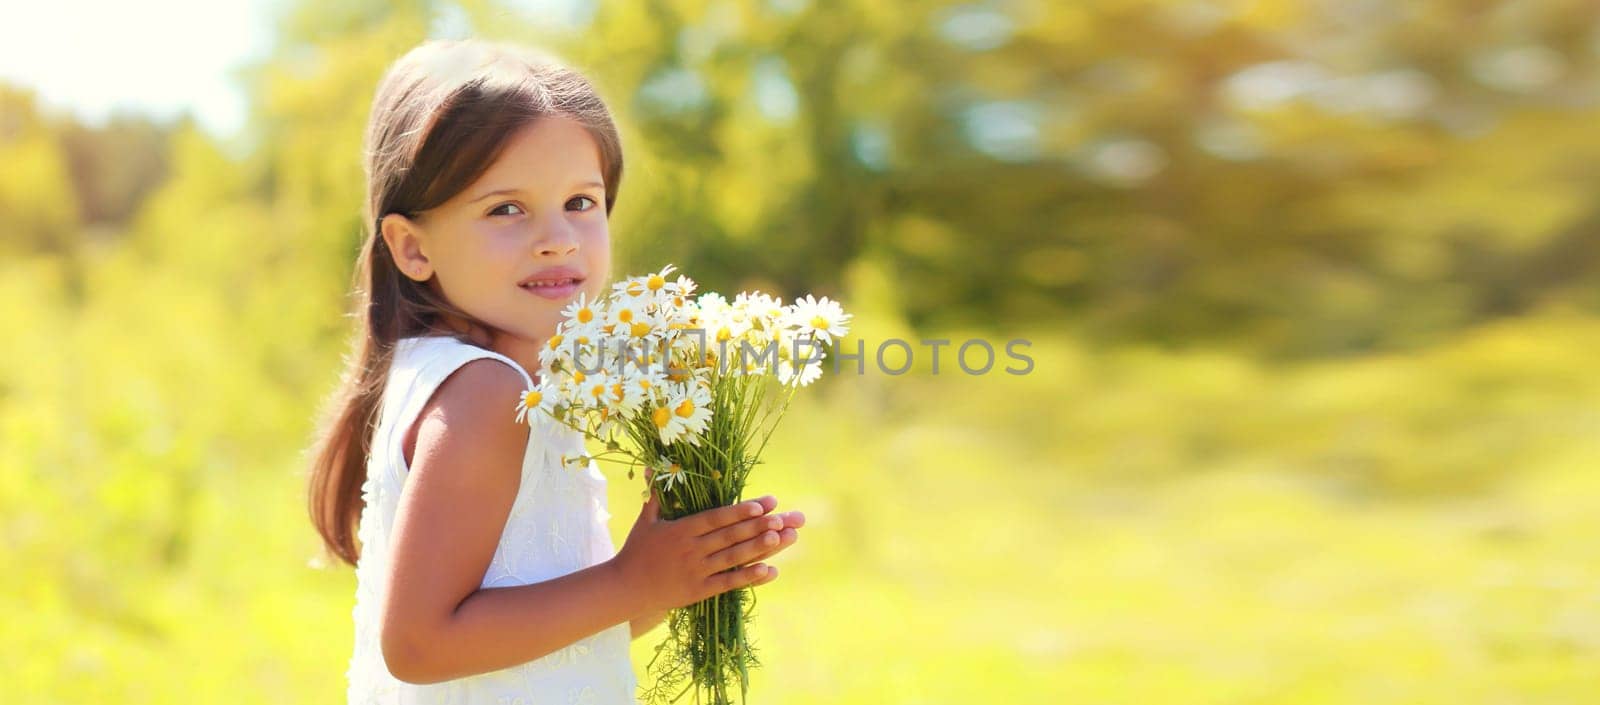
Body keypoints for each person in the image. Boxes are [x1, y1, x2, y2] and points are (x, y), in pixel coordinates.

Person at [303, 38, 805, 704]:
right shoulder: (485, 393)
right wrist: (634, 580)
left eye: (580, 202)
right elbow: (420, 644)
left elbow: (543, 637)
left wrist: (678, 572)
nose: (558, 237)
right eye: (505, 208)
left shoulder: (469, 376)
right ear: (413, 247)